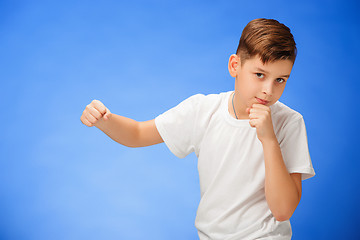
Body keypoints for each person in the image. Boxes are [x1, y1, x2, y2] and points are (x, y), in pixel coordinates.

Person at [80, 18, 315, 240]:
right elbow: (138, 133)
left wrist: (269, 140)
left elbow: (283, 210)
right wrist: (104, 120)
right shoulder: (203, 111)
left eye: (280, 80)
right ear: (235, 65)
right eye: (260, 74)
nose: (268, 90)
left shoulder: (289, 123)